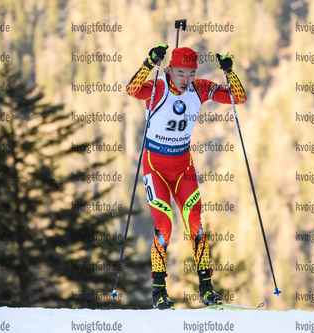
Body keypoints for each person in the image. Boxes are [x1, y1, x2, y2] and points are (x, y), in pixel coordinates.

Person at [126, 44, 247, 309]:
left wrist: (229, 72)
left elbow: (238, 98)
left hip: (183, 168)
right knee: (164, 227)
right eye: (180, 73)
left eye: (191, 74)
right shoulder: (158, 87)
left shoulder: (199, 88)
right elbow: (132, 90)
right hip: (154, 166)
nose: (186, 80)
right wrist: (148, 62)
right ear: (169, 69)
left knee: (196, 225)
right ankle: (159, 291)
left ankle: (206, 288)